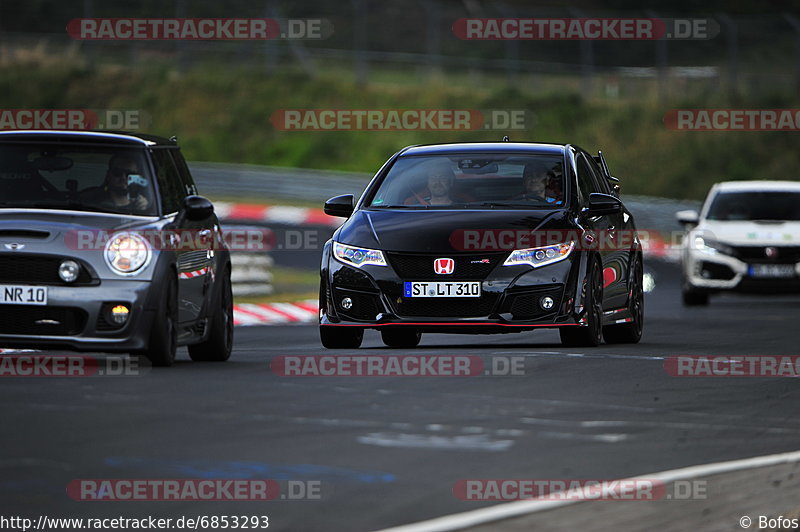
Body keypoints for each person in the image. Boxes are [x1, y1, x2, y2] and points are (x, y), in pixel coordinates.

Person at [82, 154, 151, 211]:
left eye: (129, 174)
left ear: (137, 177)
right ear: (108, 175)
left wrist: (144, 209)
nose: (123, 178)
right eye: (118, 172)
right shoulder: (89, 199)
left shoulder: (147, 203)